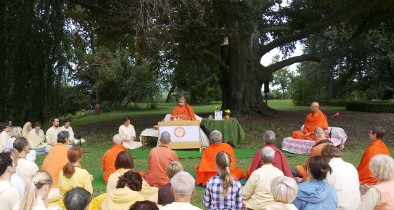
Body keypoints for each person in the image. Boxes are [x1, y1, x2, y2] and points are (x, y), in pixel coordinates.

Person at [321, 144, 360, 210]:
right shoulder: (351, 166)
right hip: (356, 206)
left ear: (325, 157)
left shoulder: (329, 168)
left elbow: (323, 192)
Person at [41, 131, 72, 201]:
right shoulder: (68, 151)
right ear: (66, 139)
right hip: (56, 188)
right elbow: (76, 170)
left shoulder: (52, 149)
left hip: (43, 186)